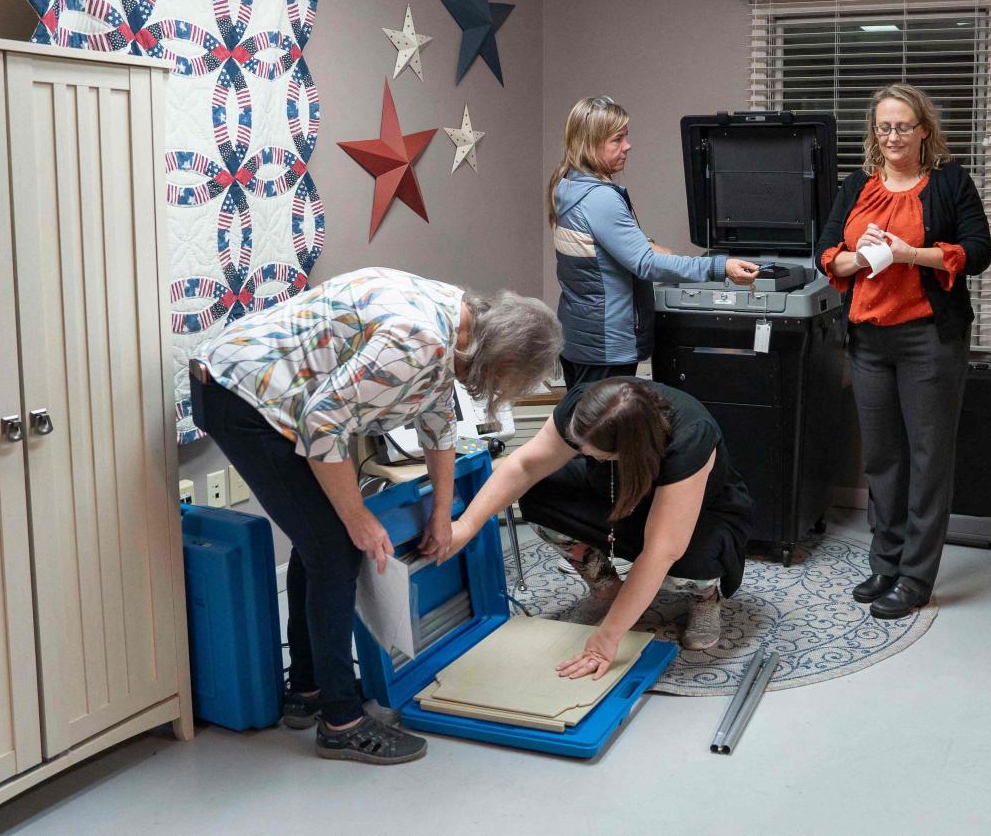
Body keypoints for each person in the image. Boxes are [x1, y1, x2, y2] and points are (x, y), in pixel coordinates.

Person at [190, 267, 561, 763]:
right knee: (335, 545)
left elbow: (439, 422)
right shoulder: (420, 338)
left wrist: (441, 517)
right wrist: (357, 516)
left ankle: (310, 688)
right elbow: (323, 424)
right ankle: (340, 723)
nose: (497, 389)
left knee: (317, 542)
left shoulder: (456, 315)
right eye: (508, 380)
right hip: (242, 395)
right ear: (505, 356)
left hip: (268, 393)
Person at [813, 83, 991, 620]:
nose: (892, 135)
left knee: (927, 459)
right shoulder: (856, 186)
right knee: (884, 459)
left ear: (924, 132)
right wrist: (858, 259)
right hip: (868, 339)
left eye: (903, 126)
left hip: (928, 342)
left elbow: (977, 253)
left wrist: (907, 254)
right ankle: (885, 563)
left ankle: (916, 576)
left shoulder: (950, 183)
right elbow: (826, 253)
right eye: (883, 126)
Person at [448, 377, 753, 664]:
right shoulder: (586, 408)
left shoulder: (691, 436)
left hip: (701, 514)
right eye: (581, 449)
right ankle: (607, 590)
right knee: (540, 493)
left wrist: (607, 638)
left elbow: (662, 550)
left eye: (600, 456)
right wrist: (466, 525)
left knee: (688, 560)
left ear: (630, 451)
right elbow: (525, 466)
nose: (584, 454)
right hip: (616, 494)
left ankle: (704, 598)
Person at [549, 95, 760, 389]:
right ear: (590, 143)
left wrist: (643, 242)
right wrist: (719, 267)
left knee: (582, 429)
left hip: (579, 337)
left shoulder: (568, 185)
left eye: (626, 137)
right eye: (617, 139)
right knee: (606, 433)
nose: (628, 146)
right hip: (606, 346)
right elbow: (646, 265)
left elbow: (601, 243)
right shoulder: (600, 197)